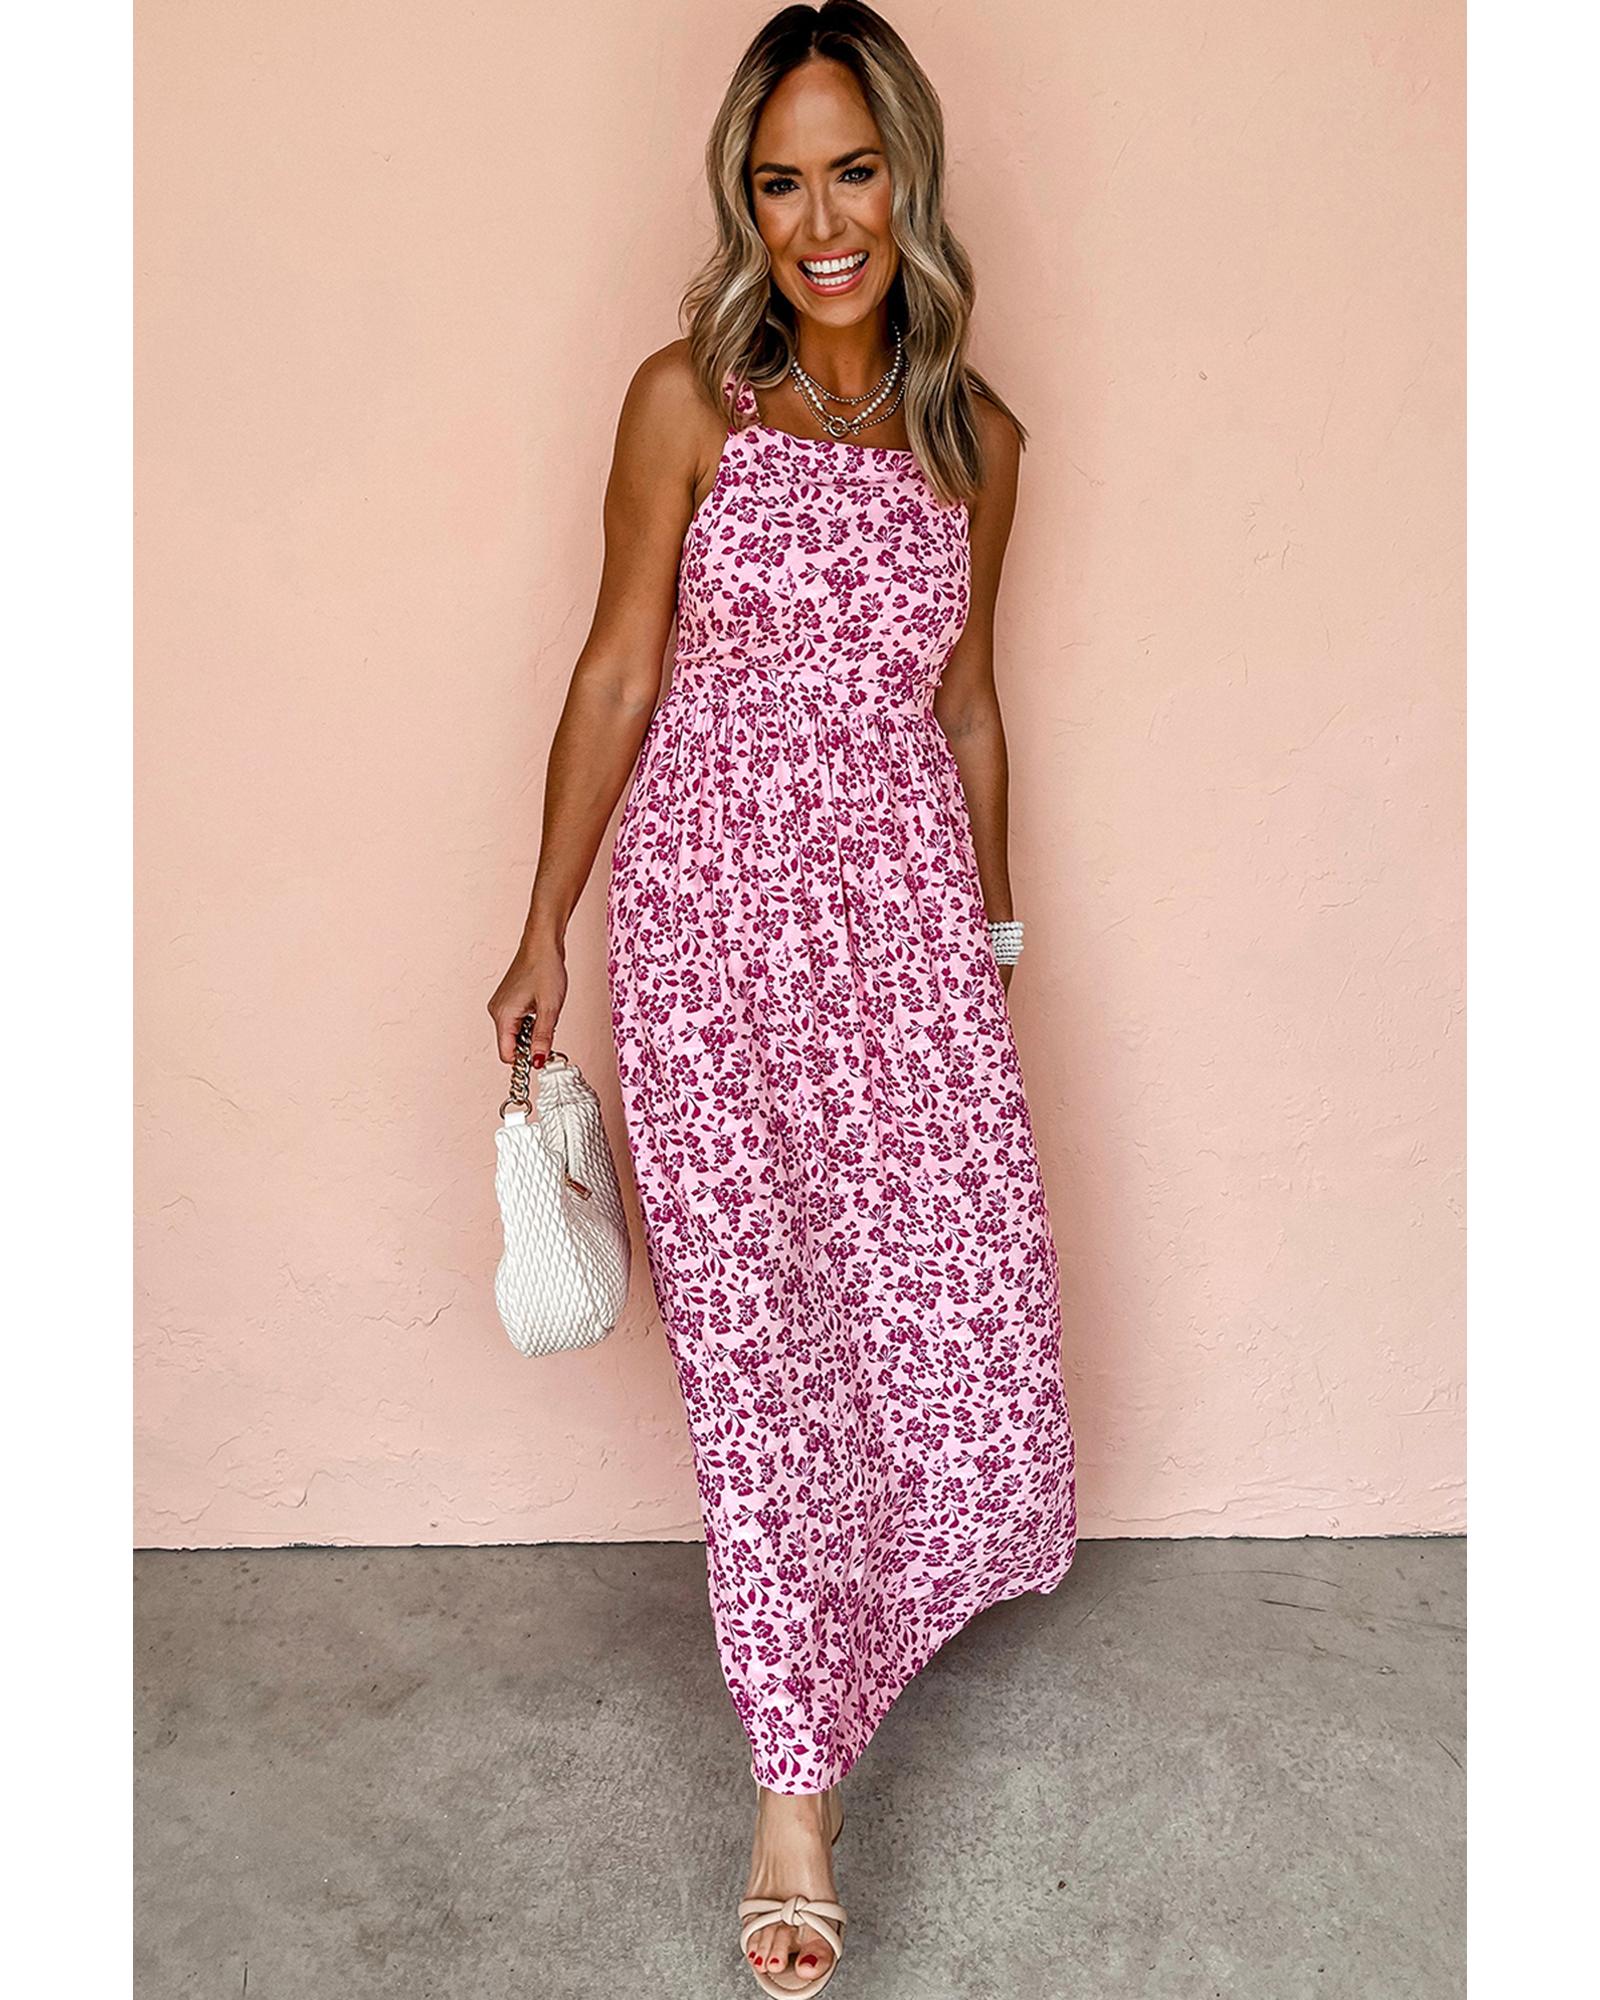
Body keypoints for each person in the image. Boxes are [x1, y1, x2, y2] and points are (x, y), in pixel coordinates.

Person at [487, 5, 1077, 1990]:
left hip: (903, 935)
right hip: (714, 932)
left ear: (907, 174)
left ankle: (874, 1627)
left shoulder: (977, 443)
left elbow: (969, 705)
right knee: (757, 1351)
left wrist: (992, 943)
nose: (820, 223)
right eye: (779, 181)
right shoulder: (688, 403)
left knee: (932, 1308)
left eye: (851, 172)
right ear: (743, 201)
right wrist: (543, 922)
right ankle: (792, 1798)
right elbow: (615, 670)